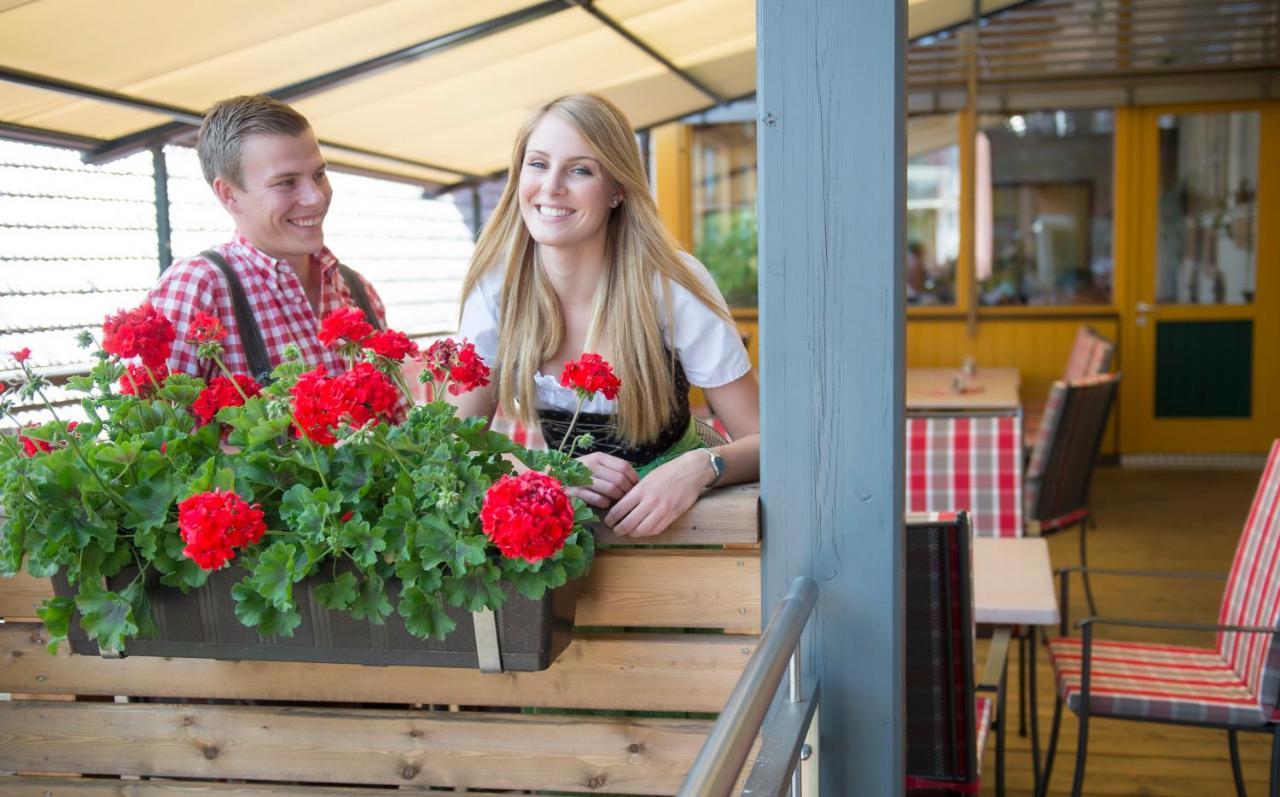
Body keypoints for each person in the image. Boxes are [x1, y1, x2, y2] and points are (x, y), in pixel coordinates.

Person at [453, 94, 760, 538]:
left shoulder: (670, 282)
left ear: (618, 189)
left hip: (688, 521)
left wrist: (699, 467)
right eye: (538, 164)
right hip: (573, 530)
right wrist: (547, 475)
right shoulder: (496, 288)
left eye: (580, 170)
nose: (552, 187)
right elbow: (458, 446)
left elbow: (769, 442)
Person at [148, 95, 386, 382]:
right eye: (286, 182)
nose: (316, 197)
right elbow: (152, 420)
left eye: (319, 174)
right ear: (229, 194)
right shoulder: (199, 288)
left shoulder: (358, 290)